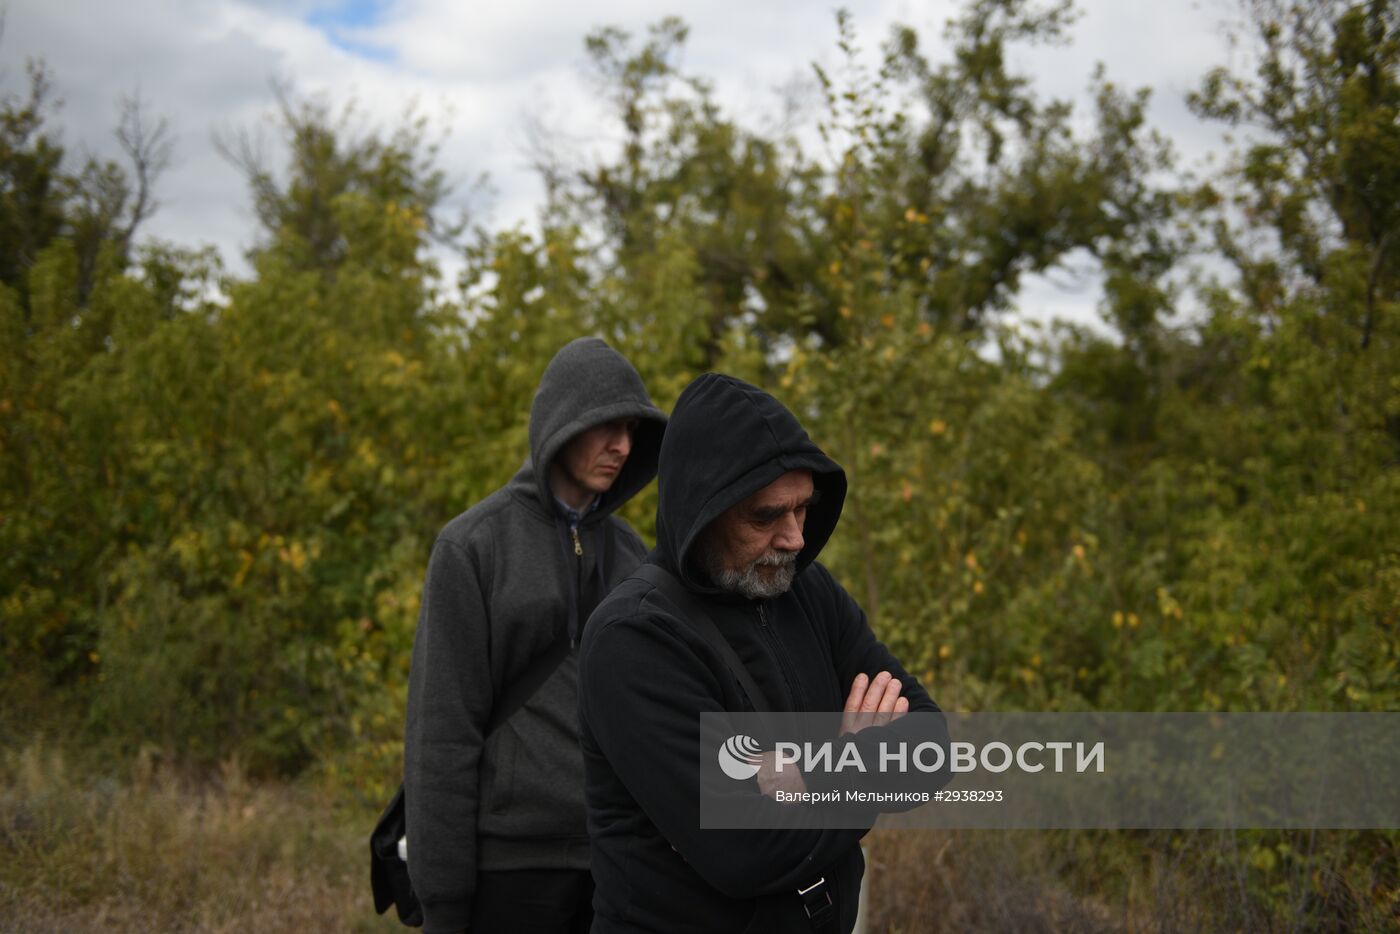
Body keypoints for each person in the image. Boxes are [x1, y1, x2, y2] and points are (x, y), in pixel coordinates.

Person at [577, 372, 944, 934]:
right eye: (767, 515)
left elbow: (928, 743)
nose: (795, 537)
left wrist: (813, 773)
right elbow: (749, 846)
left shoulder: (806, 590)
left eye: (802, 509)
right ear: (705, 508)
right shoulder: (635, 638)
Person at [404, 337, 667, 934]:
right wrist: (443, 900)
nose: (621, 446)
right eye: (605, 426)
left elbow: (655, 716)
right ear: (560, 423)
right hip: (511, 870)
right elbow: (442, 734)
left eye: (630, 429)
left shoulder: (635, 558)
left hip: (617, 863)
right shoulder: (473, 547)